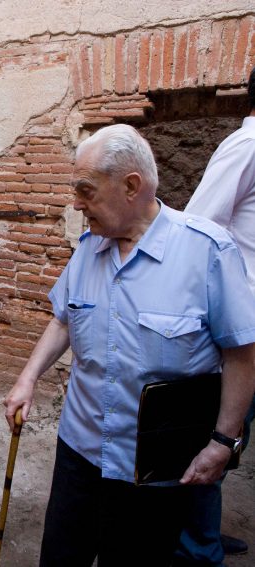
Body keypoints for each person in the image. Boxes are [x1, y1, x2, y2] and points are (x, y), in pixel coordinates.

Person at [2, 123, 255, 567]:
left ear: (131, 186)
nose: (76, 204)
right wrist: (27, 379)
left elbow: (241, 354)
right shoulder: (89, 248)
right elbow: (63, 319)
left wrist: (222, 442)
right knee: (61, 556)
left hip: (156, 472)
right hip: (79, 452)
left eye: (86, 190)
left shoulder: (207, 252)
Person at [174, 66, 255, 567]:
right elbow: (199, 232)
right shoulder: (245, 148)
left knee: (232, 439)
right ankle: (194, 547)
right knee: (216, 438)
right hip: (239, 330)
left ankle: (202, 531)